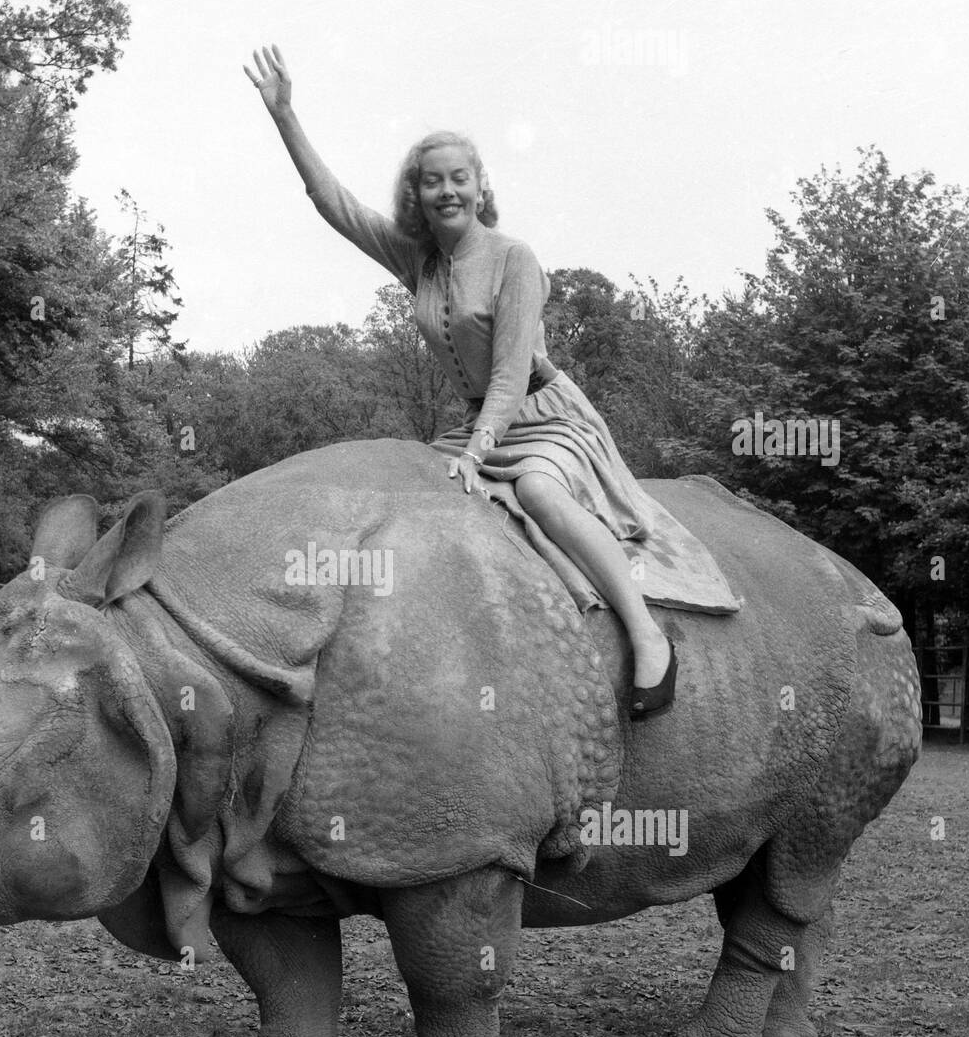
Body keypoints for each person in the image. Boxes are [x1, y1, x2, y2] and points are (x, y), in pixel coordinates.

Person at [245, 45, 677, 718]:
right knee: (409, 495)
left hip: (540, 415)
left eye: (458, 179)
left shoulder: (515, 259)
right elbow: (334, 203)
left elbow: (508, 374)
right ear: (415, 194)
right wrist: (284, 116)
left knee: (535, 488)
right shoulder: (417, 257)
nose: (446, 191)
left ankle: (647, 636)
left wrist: (477, 453)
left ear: (480, 187)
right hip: (470, 424)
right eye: (431, 181)